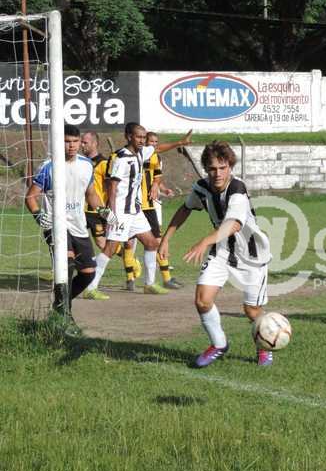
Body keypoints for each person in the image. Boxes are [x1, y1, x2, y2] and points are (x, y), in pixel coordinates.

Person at [158, 141, 273, 367]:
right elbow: (185, 208)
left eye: (222, 167)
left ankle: (265, 346)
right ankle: (219, 344)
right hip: (221, 251)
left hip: (251, 255)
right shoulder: (202, 188)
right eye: (212, 168)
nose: (217, 173)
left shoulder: (237, 189)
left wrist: (204, 241)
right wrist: (166, 239)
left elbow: (234, 225)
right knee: (202, 301)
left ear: (230, 167)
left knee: (251, 310)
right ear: (205, 169)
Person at [82, 123, 191, 299]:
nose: (142, 140)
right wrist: (112, 213)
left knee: (152, 243)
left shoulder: (141, 152)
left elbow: (157, 148)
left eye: (143, 137)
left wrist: (179, 143)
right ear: (129, 137)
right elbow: (112, 187)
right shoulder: (121, 158)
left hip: (135, 212)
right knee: (110, 249)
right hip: (121, 212)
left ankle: (149, 284)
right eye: (138, 137)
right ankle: (90, 287)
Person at [25, 125, 116, 331]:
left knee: (88, 273)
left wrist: (103, 211)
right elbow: (30, 197)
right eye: (67, 141)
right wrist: (39, 215)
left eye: (75, 141)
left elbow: (91, 193)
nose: (72, 146)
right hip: (55, 225)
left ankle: (60, 306)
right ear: (60, 142)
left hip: (78, 225)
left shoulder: (86, 165)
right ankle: (65, 317)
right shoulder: (49, 167)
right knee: (67, 264)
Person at [134, 131, 182, 290]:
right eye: (151, 141)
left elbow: (157, 176)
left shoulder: (156, 158)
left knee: (157, 240)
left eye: (156, 142)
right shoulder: (137, 154)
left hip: (149, 205)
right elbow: (159, 149)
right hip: (133, 206)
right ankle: (131, 271)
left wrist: (160, 186)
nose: (154, 144)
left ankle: (165, 278)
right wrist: (179, 142)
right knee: (123, 244)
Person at [80, 131, 110, 252]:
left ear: (94, 143)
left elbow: (111, 188)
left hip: (96, 210)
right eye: (81, 142)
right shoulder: (81, 162)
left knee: (102, 243)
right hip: (79, 209)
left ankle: (129, 258)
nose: (82, 145)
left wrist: (108, 211)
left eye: (85, 142)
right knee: (74, 240)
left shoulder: (103, 163)